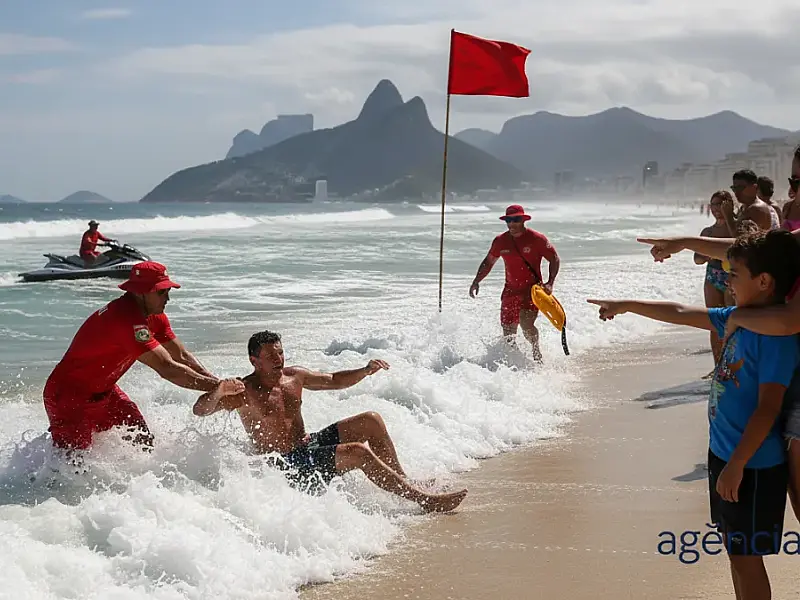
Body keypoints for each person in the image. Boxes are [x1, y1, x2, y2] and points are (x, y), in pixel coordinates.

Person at [590, 230, 800, 600]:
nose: (727, 281)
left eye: (734, 274)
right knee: (737, 555)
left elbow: (769, 409)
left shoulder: (775, 338)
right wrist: (627, 304)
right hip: (725, 455)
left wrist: (737, 464)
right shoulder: (738, 317)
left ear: (764, 281)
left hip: (750, 465)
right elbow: (684, 312)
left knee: (747, 559)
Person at [193, 330, 468, 513]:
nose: (278, 359)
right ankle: (423, 500)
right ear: (254, 361)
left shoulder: (294, 377)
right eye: (270, 356)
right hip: (283, 465)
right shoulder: (245, 390)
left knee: (371, 421)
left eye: (280, 352)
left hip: (306, 445)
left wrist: (365, 370)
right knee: (358, 452)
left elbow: (334, 380)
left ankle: (406, 483)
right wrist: (218, 390)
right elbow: (200, 410)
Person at [44, 261, 220, 451]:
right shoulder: (124, 319)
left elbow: (182, 357)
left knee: (143, 443)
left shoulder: (155, 316)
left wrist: (219, 384)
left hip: (106, 393)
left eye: (168, 290)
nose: (167, 297)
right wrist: (217, 388)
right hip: (69, 396)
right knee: (72, 470)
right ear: (140, 292)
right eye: (161, 292)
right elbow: (167, 368)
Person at [469, 205, 560, 360]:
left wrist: (550, 282)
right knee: (508, 333)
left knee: (526, 326)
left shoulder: (536, 239)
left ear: (523, 220)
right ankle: (516, 361)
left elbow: (554, 258)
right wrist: (477, 281)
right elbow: (489, 261)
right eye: (509, 220)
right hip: (510, 291)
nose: (512, 223)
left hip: (532, 291)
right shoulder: (500, 241)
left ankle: (536, 350)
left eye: (516, 219)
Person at [695, 191, 735, 369]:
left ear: (729, 205)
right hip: (712, 276)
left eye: (720, 204)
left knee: (730, 320)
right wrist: (707, 255)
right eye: (713, 204)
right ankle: (717, 366)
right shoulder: (708, 231)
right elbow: (697, 259)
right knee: (713, 321)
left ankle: (731, 363)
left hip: (732, 278)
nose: (716, 208)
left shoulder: (735, 227)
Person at [723, 169, 779, 235]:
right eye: (734, 188)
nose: (737, 192)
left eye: (740, 188)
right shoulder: (744, 206)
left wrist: (728, 215)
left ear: (754, 187)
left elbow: (739, 238)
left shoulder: (757, 208)